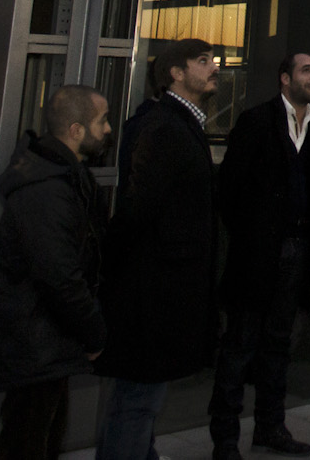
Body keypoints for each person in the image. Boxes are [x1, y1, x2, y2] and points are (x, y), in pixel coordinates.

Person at [95, 39, 221, 460]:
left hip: (160, 288)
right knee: (138, 399)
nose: (214, 68)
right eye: (202, 61)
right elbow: (138, 211)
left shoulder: (178, 123)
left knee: (140, 399)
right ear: (176, 73)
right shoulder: (165, 126)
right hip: (153, 291)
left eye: (213, 60)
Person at [0, 84, 113, 460]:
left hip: (46, 344)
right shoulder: (47, 189)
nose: (108, 129)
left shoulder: (64, 177)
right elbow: (59, 276)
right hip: (36, 346)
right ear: (75, 130)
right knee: (28, 443)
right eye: (102, 121)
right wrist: (93, 333)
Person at [211, 52, 310, 459]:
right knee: (240, 344)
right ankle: (225, 440)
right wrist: (251, 237)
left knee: (279, 345)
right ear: (285, 79)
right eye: (306, 70)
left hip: (296, 249)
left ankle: (270, 427)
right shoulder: (257, 120)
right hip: (256, 252)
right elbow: (230, 189)